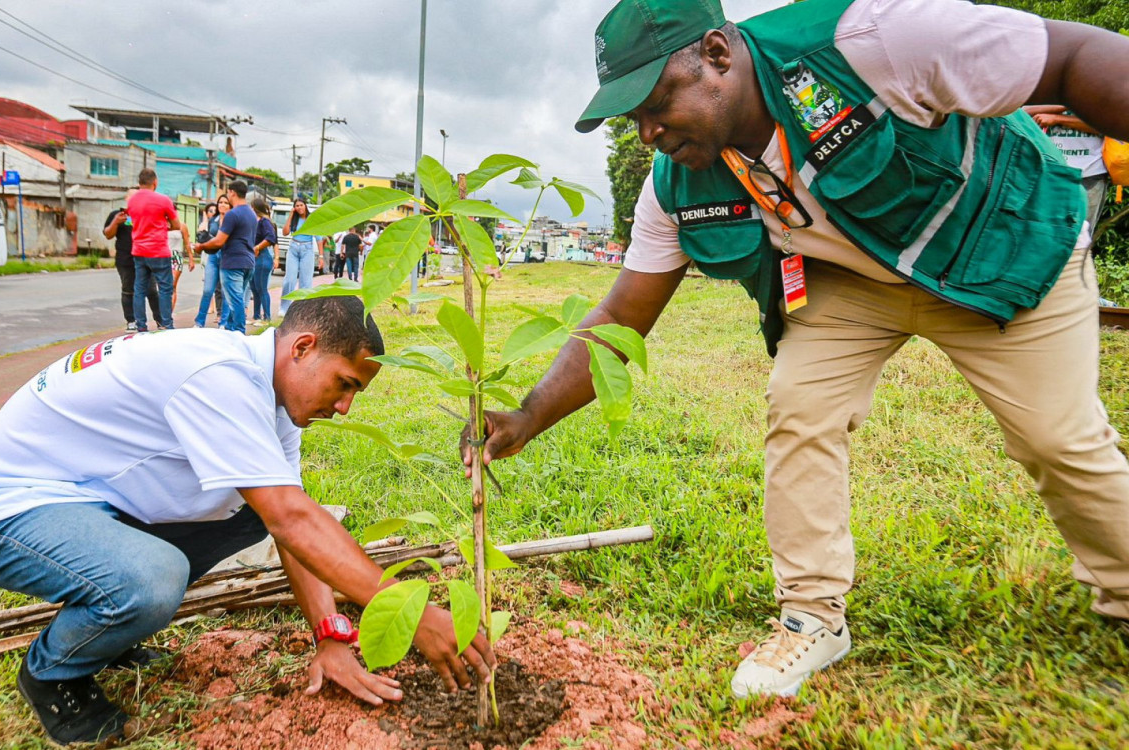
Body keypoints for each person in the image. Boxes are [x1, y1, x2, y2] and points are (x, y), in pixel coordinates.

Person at [462, 0, 1129, 700]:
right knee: (799, 407)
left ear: (717, 54)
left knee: (1059, 439)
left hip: (1008, 244)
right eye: (635, 118)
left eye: (659, 101)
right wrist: (526, 416)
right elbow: (621, 315)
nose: (649, 132)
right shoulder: (675, 184)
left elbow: (1077, 57)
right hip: (854, 286)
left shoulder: (871, 41)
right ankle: (811, 616)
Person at [0, 296, 495, 745]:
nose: (345, 406)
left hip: (83, 498)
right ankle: (53, 672)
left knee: (254, 511)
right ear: (303, 347)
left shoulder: (269, 400)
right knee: (150, 581)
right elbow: (293, 521)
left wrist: (330, 637)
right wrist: (406, 610)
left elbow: (288, 520)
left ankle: (107, 624)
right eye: (345, 383)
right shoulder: (215, 375)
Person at [1024, 105, 1111, 233]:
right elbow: (1020, 111)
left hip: (1089, 174)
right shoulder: (1045, 89)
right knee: (1043, 234)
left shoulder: (1098, 92)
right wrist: (1064, 102)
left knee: (1080, 237)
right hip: (1050, 173)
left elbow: (1106, 126)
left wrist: (1058, 118)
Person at [126, 169, 185, 331]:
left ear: (139, 183)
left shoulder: (131, 201)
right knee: (165, 288)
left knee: (139, 288)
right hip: (158, 250)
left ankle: (141, 326)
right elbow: (177, 225)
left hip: (139, 250)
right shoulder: (163, 200)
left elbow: (133, 222)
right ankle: (166, 324)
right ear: (155, 182)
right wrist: (163, 226)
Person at [194, 181, 255, 334]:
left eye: (228, 193)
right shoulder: (251, 213)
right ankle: (229, 331)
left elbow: (219, 240)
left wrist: (201, 246)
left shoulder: (233, 214)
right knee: (235, 299)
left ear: (232, 192)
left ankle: (239, 333)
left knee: (235, 301)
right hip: (248, 262)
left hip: (233, 263)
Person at [103, 191, 161, 332]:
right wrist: (116, 222)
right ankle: (131, 320)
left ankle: (160, 320)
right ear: (126, 198)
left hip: (146, 258)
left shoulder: (146, 213)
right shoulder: (117, 215)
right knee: (128, 290)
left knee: (151, 290)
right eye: (131, 196)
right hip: (126, 259)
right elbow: (108, 234)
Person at [194, 195, 230, 328]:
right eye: (220, 202)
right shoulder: (213, 220)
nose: (222, 205)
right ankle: (199, 321)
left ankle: (223, 322)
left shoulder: (232, 220)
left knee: (226, 291)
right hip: (213, 256)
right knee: (208, 290)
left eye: (226, 203)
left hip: (227, 257)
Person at [280, 197, 319, 316]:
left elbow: (319, 238)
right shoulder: (294, 219)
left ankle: (304, 309)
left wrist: (321, 256)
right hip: (293, 248)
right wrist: (291, 215)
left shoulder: (311, 219)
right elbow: (285, 232)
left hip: (307, 249)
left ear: (305, 205)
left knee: (306, 282)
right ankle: (284, 308)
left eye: (301, 205)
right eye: (297, 206)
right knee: (289, 280)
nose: (299, 208)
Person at [250, 197, 276, 325]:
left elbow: (271, 237)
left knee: (262, 288)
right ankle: (256, 316)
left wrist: (258, 247)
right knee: (254, 288)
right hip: (254, 258)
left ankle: (267, 318)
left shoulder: (264, 221)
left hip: (263, 258)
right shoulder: (255, 221)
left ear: (254, 208)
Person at [168, 227, 195, 313]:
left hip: (176, 256)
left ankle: (169, 314)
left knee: (172, 286)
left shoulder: (181, 226)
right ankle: (163, 313)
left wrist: (191, 259)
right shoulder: (161, 222)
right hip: (163, 255)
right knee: (163, 287)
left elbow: (187, 243)